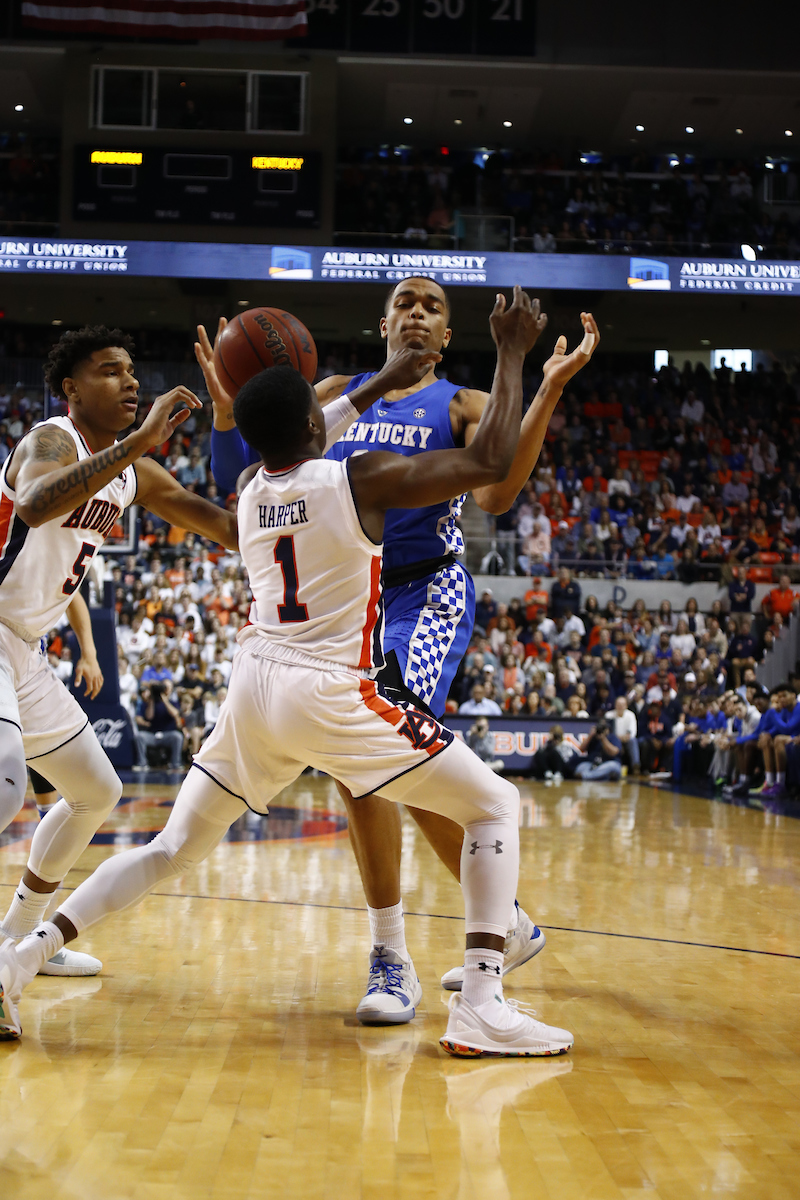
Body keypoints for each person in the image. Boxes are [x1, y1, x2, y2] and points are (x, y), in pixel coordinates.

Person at [0, 314, 576, 1059]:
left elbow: (300, 429)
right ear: (316, 422)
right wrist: (512, 355)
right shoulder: (358, 478)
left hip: (255, 689)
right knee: (495, 804)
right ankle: (484, 1002)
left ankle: (21, 953)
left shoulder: (246, 494)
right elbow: (494, 457)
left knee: (171, 846)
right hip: (331, 690)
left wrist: (377, 385)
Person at [200, 280, 599, 1018]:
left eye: (433, 306)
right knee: (364, 766)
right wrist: (228, 415)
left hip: (423, 593)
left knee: (373, 756)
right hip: (348, 606)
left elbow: (496, 492)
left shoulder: (462, 404)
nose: (417, 312)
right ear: (382, 323)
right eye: (405, 302)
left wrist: (540, 388)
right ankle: (480, 930)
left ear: (446, 334)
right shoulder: (331, 398)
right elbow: (239, 479)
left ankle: (401, 956)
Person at [0, 325, 237, 987]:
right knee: (4, 778)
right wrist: (138, 442)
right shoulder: (51, 439)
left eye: (132, 370)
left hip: (23, 646)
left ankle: (16, 939)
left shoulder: (135, 475)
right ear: (71, 389)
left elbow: (223, 526)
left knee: (95, 790)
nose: (130, 381)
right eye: (109, 370)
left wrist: (252, 445)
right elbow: (38, 504)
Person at [606, 695, 640, 774]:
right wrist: (618, 738)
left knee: (633, 741)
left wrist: (620, 737)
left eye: (622, 705)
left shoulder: (631, 715)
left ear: (626, 706)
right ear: (615, 705)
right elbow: (608, 734)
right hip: (613, 741)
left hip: (626, 741)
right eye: (618, 704)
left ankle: (636, 766)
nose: (620, 707)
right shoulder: (608, 715)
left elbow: (632, 734)